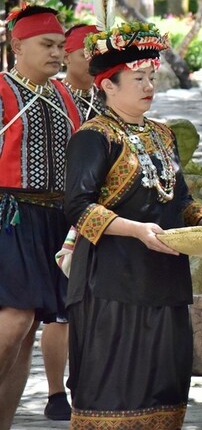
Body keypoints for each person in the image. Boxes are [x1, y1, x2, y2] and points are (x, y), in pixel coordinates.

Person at [63, 21, 202, 427]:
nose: (149, 85)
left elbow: (180, 202)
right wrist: (135, 230)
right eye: (138, 78)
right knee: (115, 387)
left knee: (164, 383)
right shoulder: (94, 137)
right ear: (107, 85)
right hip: (113, 280)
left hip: (165, 276)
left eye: (152, 76)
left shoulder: (164, 136)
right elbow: (77, 207)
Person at [0, 4, 82, 430]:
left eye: (60, 46)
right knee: (14, 319)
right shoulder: (0, 90)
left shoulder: (66, 96)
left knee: (27, 330)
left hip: (55, 220)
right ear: (17, 45)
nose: (57, 53)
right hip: (9, 216)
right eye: (46, 45)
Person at [38, 24, 104, 422]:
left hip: (104, 214)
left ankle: (87, 383)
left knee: (92, 306)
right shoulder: (53, 98)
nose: (94, 62)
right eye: (86, 53)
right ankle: (53, 391)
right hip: (61, 213)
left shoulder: (112, 96)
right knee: (60, 311)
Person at [63, 24, 104, 120]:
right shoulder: (57, 97)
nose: (93, 62)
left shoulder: (109, 98)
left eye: (98, 55)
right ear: (66, 58)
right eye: (85, 55)